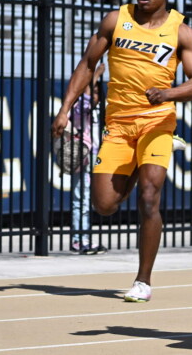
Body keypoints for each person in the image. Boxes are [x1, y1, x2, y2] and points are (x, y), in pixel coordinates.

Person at [52, 0, 192, 302]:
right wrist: (64, 110)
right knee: (104, 205)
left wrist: (169, 92)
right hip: (118, 126)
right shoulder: (115, 20)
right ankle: (137, 165)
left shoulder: (181, 31)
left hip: (157, 123)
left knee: (150, 197)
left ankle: (143, 280)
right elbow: (88, 65)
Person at [66, 61, 108, 254]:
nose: (95, 95)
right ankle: (79, 240)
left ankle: (84, 238)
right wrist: (96, 74)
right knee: (80, 199)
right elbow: (84, 98)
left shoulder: (99, 110)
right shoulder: (78, 108)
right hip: (81, 156)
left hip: (95, 157)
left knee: (87, 199)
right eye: (93, 90)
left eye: (98, 91)